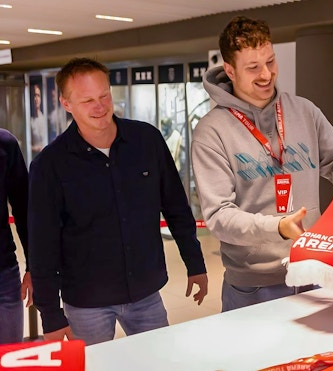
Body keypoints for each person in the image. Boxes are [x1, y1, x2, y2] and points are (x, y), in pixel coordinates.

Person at [191, 15, 333, 312]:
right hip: (254, 285)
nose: (266, 74)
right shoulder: (212, 131)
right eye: (253, 68)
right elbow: (218, 218)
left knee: (317, 358)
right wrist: (279, 228)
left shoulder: (304, 111)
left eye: (270, 62)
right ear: (230, 71)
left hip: (312, 270)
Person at [28, 57, 209, 346]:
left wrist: (195, 262)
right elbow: (43, 246)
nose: (99, 107)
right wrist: (51, 315)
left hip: (146, 293)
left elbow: (176, 206)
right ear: (66, 103)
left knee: (159, 364)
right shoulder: (49, 165)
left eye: (104, 96)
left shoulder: (146, 140)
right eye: (87, 100)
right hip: (86, 303)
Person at [0, 129, 32, 344]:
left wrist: (33, 268)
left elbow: (25, 210)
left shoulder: (5, 144)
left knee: (10, 358)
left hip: (4, 275)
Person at [30, 84, 48, 157]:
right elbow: (23, 143)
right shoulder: (29, 121)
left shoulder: (44, 119)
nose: (36, 98)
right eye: (34, 95)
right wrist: (36, 148)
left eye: (38, 95)